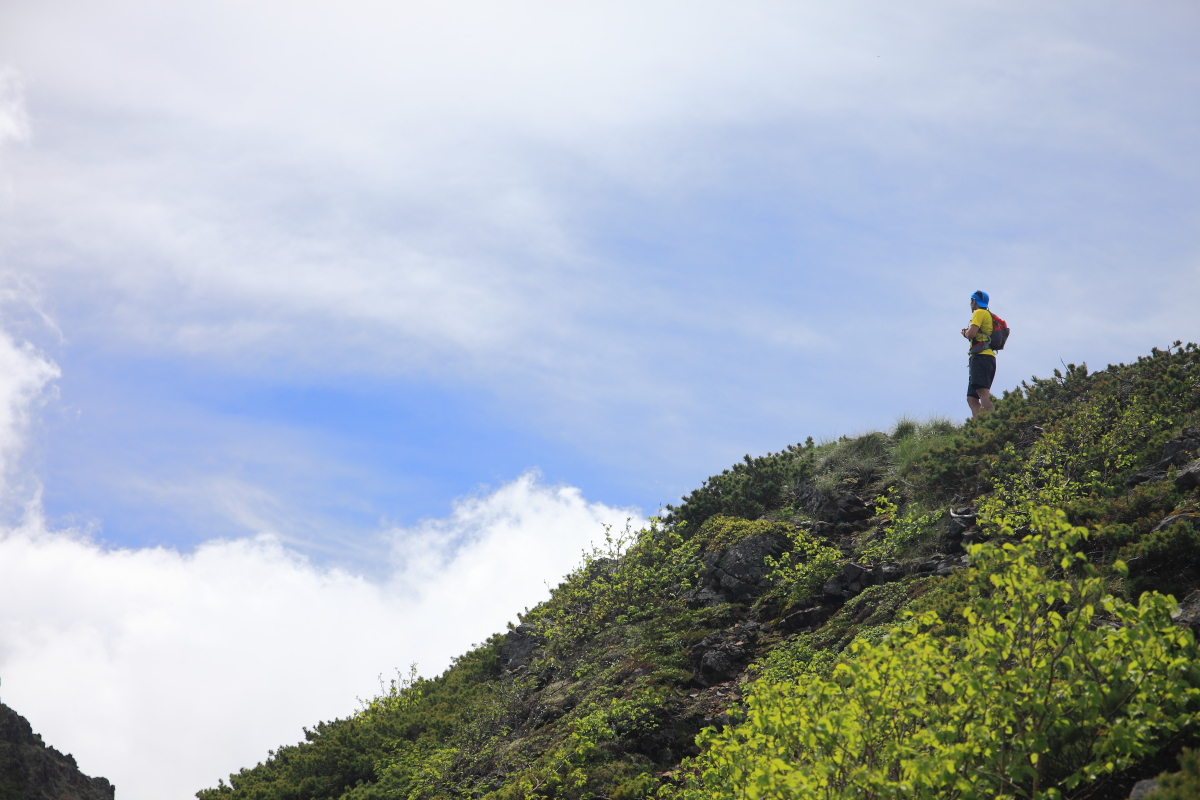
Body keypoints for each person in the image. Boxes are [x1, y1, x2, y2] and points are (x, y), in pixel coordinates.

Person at [961, 290, 996, 417]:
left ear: (974, 301)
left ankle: (994, 421)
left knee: (982, 392)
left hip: (982, 357)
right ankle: (979, 428)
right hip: (983, 357)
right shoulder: (987, 314)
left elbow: (971, 334)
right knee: (972, 397)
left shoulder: (979, 313)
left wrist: (965, 333)